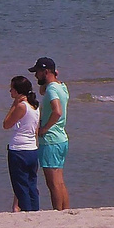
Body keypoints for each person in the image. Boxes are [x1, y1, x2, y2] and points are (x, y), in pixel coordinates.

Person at [30, 56, 71, 211]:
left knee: (52, 183)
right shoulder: (61, 86)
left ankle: (57, 212)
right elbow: (42, 90)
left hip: (51, 139)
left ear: (45, 71)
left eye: (38, 72)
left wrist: (44, 129)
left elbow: (57, 111)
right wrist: (50, 78)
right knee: (59, 181)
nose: (35, 76)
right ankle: (65, 210)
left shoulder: (52, 89)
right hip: (61, 138)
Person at [3, 75, 40, 212]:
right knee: (31, 184)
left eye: (12, 89)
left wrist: (14, 104)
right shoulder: (35, 106)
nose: (10, 92)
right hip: (32, 149)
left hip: (19, 149)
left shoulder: (21, 106)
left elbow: (6, 123)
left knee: (20, 186)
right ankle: (34, 210)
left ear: (18, 91)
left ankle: (27, 210)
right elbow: (35, 129)